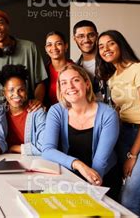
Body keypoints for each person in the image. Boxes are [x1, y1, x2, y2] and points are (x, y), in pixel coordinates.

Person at [96, 30, 140, 217]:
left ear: (120, 44)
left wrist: (132, 154)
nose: (106, 49)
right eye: (101, 47)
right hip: (125, 134)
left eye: (110, 43)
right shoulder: (112, 78)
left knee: (129, 200)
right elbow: (121, 110)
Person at [42, 64, 121, 200]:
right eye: (64, 83)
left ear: (87, 84)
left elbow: (100, 162)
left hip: (102, 178)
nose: (70, 86)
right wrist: (78, 164)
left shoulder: (108, 114)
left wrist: (87, 186)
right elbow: (47, 150)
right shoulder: (56, 111)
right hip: (70, 176)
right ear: (60, 90)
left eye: (76, 80)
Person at [0, 9, 47, 112]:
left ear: (7, 25)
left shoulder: (29, 48)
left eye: (0, 23)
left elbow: (41, 81)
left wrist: (37, 101)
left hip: (29, 111)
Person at [0, 64, 46, 155]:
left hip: (32, 162)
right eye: (11, 90)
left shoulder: (38, 112)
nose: (16, 94)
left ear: (26, 91)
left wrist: (13, 148)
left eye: (21, 90)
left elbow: (45, 147)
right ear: (4, 93)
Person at [72, 20, 108, 101]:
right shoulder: (74, 68)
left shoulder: (109, 62)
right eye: (81, 36)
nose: (86, 40)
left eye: (91, 35)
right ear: (74, 39)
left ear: (97, 36)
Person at [43, 31, 74, 107]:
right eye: (49, 45)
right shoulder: (43, 72)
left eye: (58, 44)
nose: (54, 48)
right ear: (46, 49)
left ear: (66, 46)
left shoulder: (77, 70)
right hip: (50, 114)